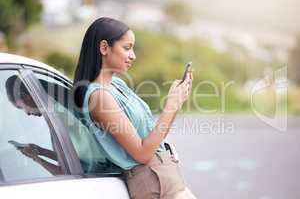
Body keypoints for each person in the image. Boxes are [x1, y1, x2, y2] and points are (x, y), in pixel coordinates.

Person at [73, 17, 196, 199]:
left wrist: (177, 102)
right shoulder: (99, 97)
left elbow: (153, 136)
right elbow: (143, 153)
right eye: (127, 48)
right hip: (153, 182)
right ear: (104, 48)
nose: (133, 55)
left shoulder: (117, 84)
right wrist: (171, 105)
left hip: (166, 175)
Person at [5, 75, 63, 175]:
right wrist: (41, 151)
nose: (26, 113)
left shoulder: (62, 118)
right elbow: (71, 159)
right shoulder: (55, 114)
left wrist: (35, 158)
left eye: (20, 107)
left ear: (25, 96)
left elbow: (65, 173)